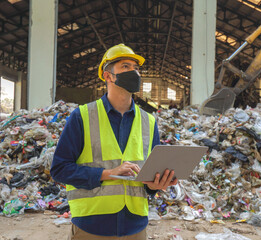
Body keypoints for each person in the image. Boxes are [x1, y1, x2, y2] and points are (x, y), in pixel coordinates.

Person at [51, 43, 177, 240]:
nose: (134, 73)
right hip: (91, 227)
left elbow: (148, 177)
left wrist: (155, 185)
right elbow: (60, 169)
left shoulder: (149, 121)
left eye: (136, 68)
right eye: (125, 67)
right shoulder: (82, 116)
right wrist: (108, 174)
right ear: (108, 75)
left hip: (135, 227)